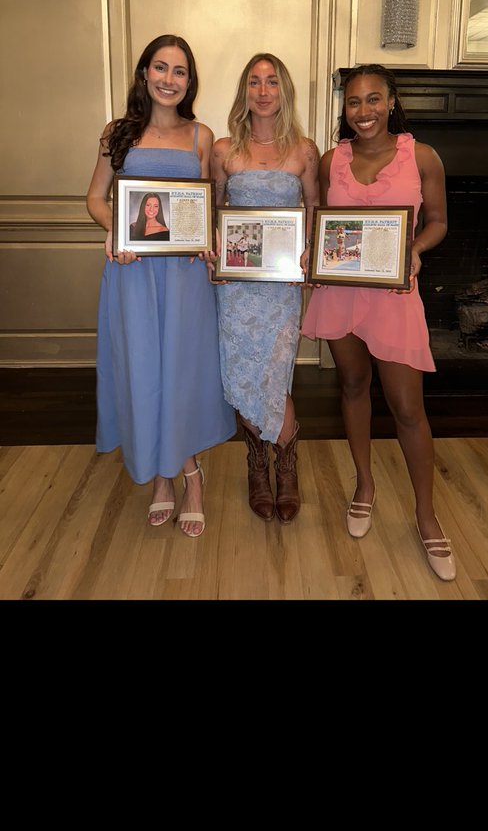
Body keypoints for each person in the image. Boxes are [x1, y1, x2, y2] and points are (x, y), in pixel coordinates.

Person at [301, 64, 456, 581]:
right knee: (351, 386)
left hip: (393, 294)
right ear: (343, 109)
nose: (363, 111)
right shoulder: (331, 161)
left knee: (408, 409)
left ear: (390, 102)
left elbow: (437, 222)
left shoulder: (422, 157)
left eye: (373, 100)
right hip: (341, 292)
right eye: (353, 102)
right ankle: (364, 484)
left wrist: (413, 249)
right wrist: (311, 254)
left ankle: (425, 515)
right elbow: (322, 222)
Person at [86, 34, 237, 536]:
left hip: (184, 276)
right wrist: (114, 231)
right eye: (160, 68)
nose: (169, 79)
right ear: (144, 73)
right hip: (131, 273)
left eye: (180, 71)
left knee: (181, 372)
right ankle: (161, 480)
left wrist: (207, 237)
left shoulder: (201, 136)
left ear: (189, 81)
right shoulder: (117, 132)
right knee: (141, 369)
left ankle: (189, 473)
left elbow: (206, 209)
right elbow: (95, 199)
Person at [210, 53, 320, 524]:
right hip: (236, 287)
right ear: (244, 91)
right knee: (241, 375)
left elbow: (314, 208)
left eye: (271, 81)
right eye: (254, 82)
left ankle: (287, 470)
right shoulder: (222, 150)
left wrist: (310, 252)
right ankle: (258, 467)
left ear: (283, 90)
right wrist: (213, 245)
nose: (262, 90)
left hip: (280, 287)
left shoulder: (305, 150)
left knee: (275, 375)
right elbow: (212, 211)